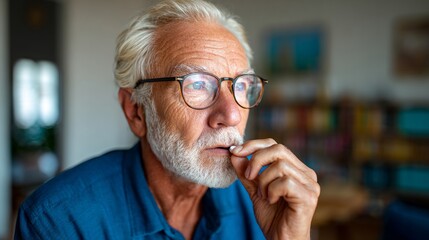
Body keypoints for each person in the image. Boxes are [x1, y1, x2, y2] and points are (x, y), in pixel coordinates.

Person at [14, 0, 320, 239]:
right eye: (197, 84)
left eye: (240, 86)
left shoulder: (260, 202)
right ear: (136, 111)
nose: (231, 114)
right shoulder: (59, 220)